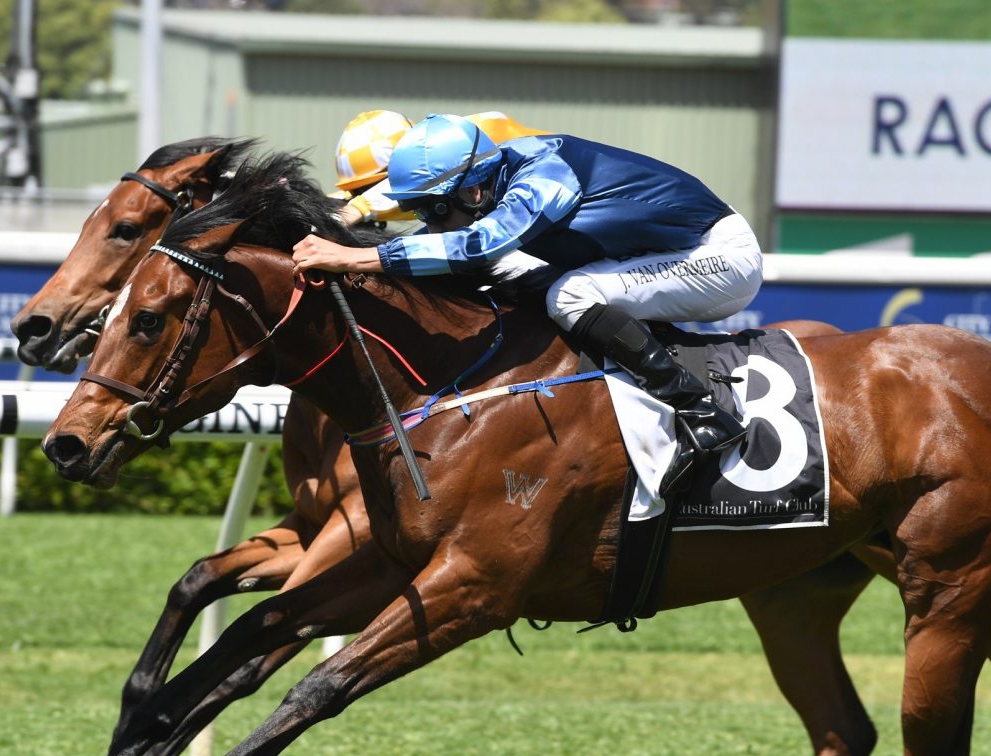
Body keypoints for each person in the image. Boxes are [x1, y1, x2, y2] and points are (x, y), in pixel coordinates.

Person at [292, 113, 762, 493]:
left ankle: (700, 413)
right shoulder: (488, 173)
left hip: (718, 259)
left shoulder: (544, 176)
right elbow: (450, 237)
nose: (429, 226)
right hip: (657, 254)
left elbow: (477, 245)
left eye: (433, 212)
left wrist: (357, 255)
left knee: (569, 294)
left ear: (474, 191)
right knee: (522, 281)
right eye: (421, 214)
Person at [329, 109, 548, 228]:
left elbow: (365, 201)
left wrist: (358, 208)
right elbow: (347, 199)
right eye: (361, 190)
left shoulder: (467, 137)